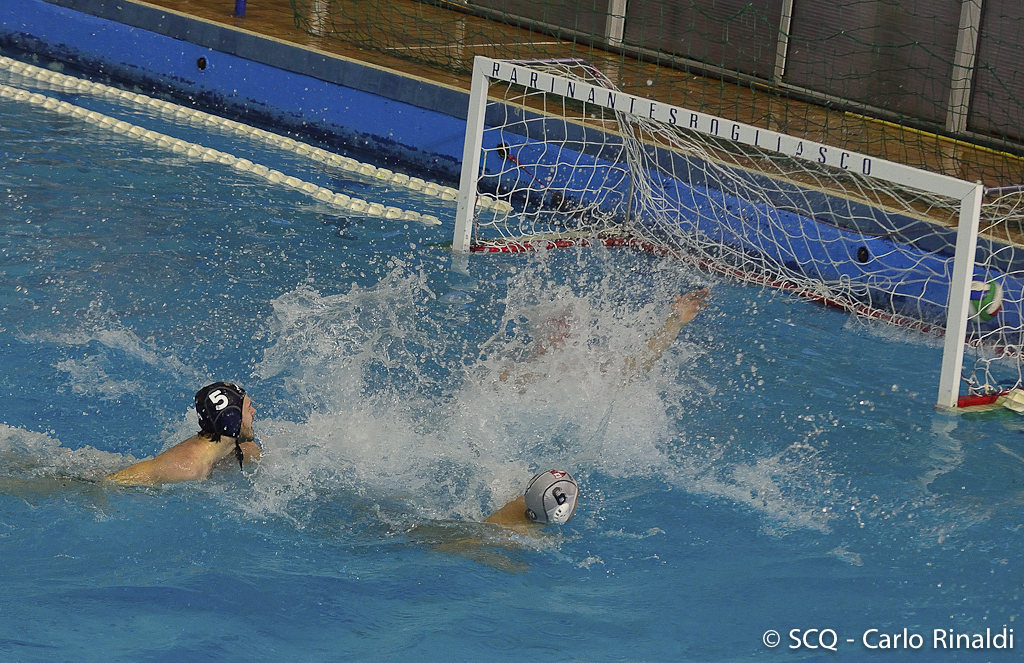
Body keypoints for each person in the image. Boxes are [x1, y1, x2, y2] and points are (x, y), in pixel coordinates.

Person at [104, 382, 261, 487]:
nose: (254, 412)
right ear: (231, 418)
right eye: (248, 408)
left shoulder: (245, 451)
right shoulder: (185, 468)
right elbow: (109, 482)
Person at [485, 469, 579, 532]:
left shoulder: (529, 501)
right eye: (576, 498)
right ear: (562, 511)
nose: (577, 502)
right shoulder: (522, 536)